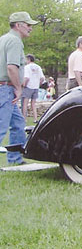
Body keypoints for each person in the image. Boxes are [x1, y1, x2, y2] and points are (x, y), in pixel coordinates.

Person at [0, 11, 38, 165]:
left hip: (5, 89)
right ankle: (15, 159)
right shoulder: (15, 42)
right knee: (1, 125)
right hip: (6, 89)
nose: (30, 28)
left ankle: (15, 159)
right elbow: (11, 68)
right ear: (18, 25)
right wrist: (18, 88)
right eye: (28, 25)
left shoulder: (4, 39)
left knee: (18, 124)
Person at [21, 54, 45, 121]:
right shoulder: (38, 67)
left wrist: (24, 85)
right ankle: (35, 118)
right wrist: (38, 84)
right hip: (35, 87)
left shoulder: (27, 67)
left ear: (29, 59)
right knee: (33, 104)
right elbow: (42, 78)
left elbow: (26, 78)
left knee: (25, 104)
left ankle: (24, 118)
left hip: (28, 87)